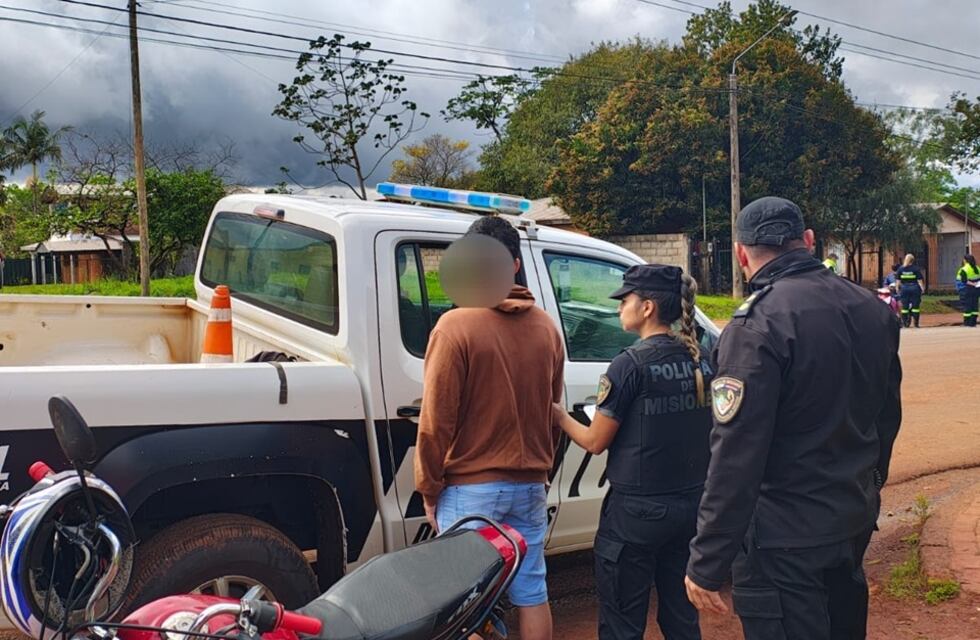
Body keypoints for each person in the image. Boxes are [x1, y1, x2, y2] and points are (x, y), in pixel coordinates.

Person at [684, 196, 902, 640]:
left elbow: (735, 457)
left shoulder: (756, 326)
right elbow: (886, 420)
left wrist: (708, 559)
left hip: (783, 541)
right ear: (806, 241)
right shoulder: (873, 311)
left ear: (742, 254)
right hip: (849, 520)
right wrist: (868, 491)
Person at [414, 216, 564, 640]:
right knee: (532, 592)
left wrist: (429, 487)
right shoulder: (547, 329)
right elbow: (551, 411)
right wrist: (541, 470)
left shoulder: (455, 326)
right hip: (531, 484)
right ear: (515, 265)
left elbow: (434, 424)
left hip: (469, 490)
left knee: (460, 605)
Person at [553, 265, 714, 640]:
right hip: (691, 507)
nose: (618, 308)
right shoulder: (701, 358)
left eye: (624, 300)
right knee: (681, 618)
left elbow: (595, 441)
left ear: (647, 308)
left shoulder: (630, 365)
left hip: (636, 516)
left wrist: (557, 416)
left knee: (622, 623)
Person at [896, 253, 925, 328]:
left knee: (904, 307)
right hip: (914, 288)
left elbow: (898, 281)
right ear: (913, 260)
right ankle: (916, 323)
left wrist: (897, 288)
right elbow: (919, 281)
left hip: (904, 289)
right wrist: (922, 289)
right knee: (915, 307)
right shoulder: (915, 269)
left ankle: (905, 323)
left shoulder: (900, 269)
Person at [956, 254, 980, 327]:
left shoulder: (964, 269)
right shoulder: (977, 268)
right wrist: (976, 284)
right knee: (975, 306)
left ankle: (967, 323)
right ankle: (973, 323)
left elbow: (964, 280)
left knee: (967, 306)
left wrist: (973, 284)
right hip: (976, 290)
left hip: (966, 290)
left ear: (965, 260)